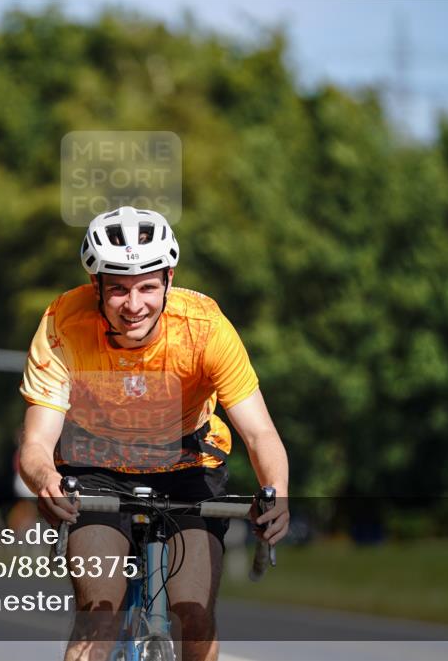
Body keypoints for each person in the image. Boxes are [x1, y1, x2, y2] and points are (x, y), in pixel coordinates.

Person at [18, 206, 289, 661]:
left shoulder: (205, 328)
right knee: (98, 612)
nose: (134, 304)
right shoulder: (62, 324)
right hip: (95, 466)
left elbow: (260, 432)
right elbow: (36, 443)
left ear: (168, 280)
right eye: (119, 289)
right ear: (96, 287)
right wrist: (45, 478)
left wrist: (276, 492)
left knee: (194, 612)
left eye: (147, 286)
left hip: (187, 465)